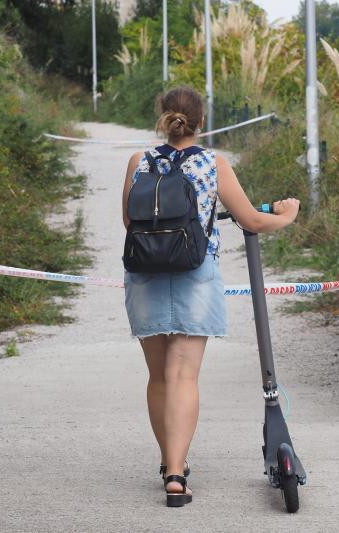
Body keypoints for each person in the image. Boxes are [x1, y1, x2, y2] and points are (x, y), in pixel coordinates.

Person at [121, 86, 300, 507]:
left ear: (162, 116)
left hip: (144, 274)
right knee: (184, 376)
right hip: (194, 275)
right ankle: (179, 476)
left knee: (159, 376)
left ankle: (169, 465)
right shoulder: (212, 163)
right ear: (201, 122)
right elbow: (252, 219)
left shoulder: (138, 162)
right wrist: (288, 214)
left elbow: (129, 221)